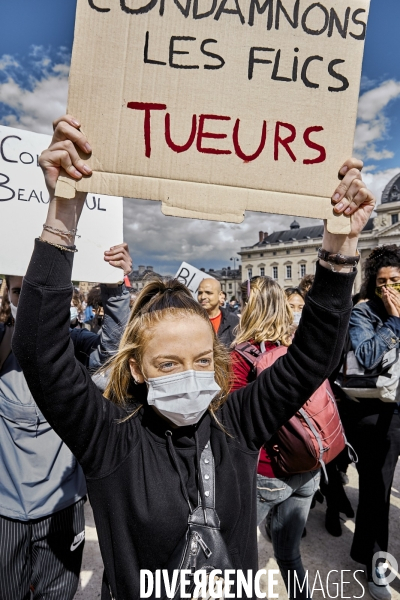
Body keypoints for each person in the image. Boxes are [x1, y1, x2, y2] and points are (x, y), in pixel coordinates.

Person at [12, 114, 373, 599]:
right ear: (137, 367)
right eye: (168, 364)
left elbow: (312, 358)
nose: (190, 377)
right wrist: (62, 217)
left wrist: (340, 248)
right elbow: (41, 354)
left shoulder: (237, 423)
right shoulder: (110, 437)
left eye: (203, 361)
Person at [0, 245, 131, 600]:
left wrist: (116, 289)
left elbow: (112, 359)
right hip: (5, 514)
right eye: (19, 292)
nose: (30, 301)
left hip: (62, 508)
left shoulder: (73, 345)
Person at [231, 276, 320, 599]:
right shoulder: (300, 348)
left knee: (237, 558)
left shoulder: (242, 355)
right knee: (289, 553)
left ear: (248, 308)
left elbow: (235, 424)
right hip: (308, 465)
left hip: (267, 470)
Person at [342, 244, 400, 600]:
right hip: (376, 413)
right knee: (377, 492)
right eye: (381, 283)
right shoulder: (363, 313)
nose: (389, 287)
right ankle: (375, 563)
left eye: (395, 280)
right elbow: (364, 355)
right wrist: (394, 322)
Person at [198, 277, 239, 347]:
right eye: (200, 293)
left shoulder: (234, 320)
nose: (203, 297)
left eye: (208, 293)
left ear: (220, 295)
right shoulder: (192, 321)